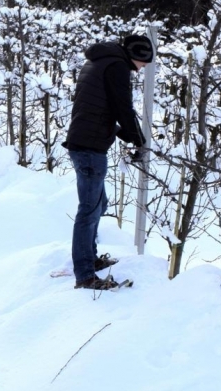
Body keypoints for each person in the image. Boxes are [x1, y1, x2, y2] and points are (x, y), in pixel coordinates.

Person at [63, 34, 154, 291]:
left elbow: (100, 106)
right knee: (89, 210)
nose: (143, 67)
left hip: (85, 140)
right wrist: (138, 139)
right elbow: (122, 107)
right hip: (90, 147)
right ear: (136, 55)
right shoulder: (116, 67)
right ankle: (85, 275)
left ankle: (89, 258)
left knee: (98, 204)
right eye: (143, 62)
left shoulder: (100, 61)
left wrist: (128, 134)